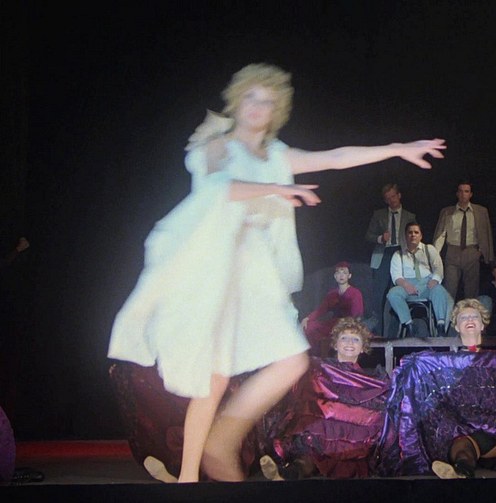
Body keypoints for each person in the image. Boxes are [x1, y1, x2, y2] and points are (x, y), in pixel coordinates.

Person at [107, 62, 445, 482]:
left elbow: (336, 158)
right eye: (251, 98)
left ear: (276, 111)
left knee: (290, 360)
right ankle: (191, 476)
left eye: (267, 102)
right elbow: (219, 188)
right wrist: (276, 188)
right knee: (213, 379)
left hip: (254, 271)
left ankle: (221, 439)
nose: (257, 107)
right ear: (237, 101)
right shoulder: (217, 146)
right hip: (214, 268)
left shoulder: (277, 155)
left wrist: (397, 148)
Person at [376, 299, 496, 478]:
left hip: (493, 435)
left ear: (482, 324)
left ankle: (462, 469)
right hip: (456, 435)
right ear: (456, 326)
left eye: (474, 317)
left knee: (468, 444)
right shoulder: (445, 363)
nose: (469, 320)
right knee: (463, 446)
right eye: (464, 317)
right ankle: (462, 471)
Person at [260, 318, 390, 480]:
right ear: (335, 344)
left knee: (351, 458)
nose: (350, 343)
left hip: (352, 440)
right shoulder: (321, 369)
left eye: (355, 339)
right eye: (344, 338)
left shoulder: (371, 380)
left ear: (363, 347)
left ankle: (290, 473)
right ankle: (287, 474)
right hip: (323, 428)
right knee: (311, 443)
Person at [386, 222, 453, 337]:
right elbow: (396, 276)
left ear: (421, 236)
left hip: (426, 284)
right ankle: (409, 325)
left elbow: (438, 268)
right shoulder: (398, 254)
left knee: (439, 290)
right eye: (410, 233)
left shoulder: (429, 249)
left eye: (416, 232)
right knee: (392, 294)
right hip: (407, 285)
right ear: (405, 236)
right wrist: (406, 285)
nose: (413, 235)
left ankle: (441, 326)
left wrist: (435, 280)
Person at [433, 180, 494, 301]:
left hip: (472, 251)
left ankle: (469, 312)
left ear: (470, 194)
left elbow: (486, 233)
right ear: (457, 193)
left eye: (466, 191)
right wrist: (434, 254)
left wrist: (485, 253)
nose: (463, 194)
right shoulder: (447, 211)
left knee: (471, 290)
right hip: (453, 251)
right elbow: (441, 234)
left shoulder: (481, 211)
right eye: (460, 191)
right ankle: (448, 312)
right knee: (449, 288)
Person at [365, 184, 415, 327]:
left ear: (399, 195)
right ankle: (377, 329)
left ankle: (398, 328)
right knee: (379, 293)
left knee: (398, 293)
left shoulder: (410, 216)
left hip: (401, 253)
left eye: (393, 196)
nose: (391, 200)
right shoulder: (378, 214)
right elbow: (368, 235)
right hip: (384, 254)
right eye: (388, 198)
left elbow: (415, 237)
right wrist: (380, 238)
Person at [300, 261, 364, 355]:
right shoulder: (332, 294)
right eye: (338, 273)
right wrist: (307, 318)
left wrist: (350, 326)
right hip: (334, 323)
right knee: (309, 327)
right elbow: (321, 310)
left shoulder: (355, 293)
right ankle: (313, 356)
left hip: (349, 324)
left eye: (344, 273)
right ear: (335, 276)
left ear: (349, 276)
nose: (341, 275)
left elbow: (357, 314)